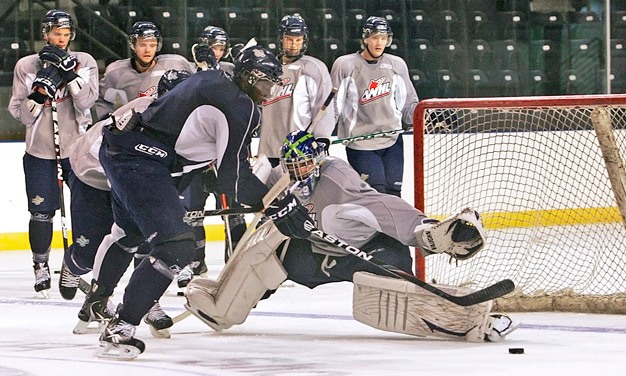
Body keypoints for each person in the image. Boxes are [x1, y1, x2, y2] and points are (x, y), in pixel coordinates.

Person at [185, 131, 519, 343]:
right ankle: (223, 308)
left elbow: (384, 207)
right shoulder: (288, 176)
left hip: (369, 252)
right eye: (291, 165)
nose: (295, 170)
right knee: (264, 253)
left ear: (316, 160)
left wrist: (429, 233)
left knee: (394, 297)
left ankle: (475, 321)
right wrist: (218, 181)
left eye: (302, 164)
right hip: (318, 255)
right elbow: (257, 184)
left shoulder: (337, 181)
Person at [95, 45, 283, 359]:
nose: (266, 92)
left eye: (271, 86)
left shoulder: (212, 78)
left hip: (124, 148)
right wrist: (272, 202)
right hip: (142, 162)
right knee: (177, 245)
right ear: (248, 78)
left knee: (131, 234)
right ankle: (120, 328)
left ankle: (97, 300)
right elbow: (232, 177)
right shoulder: (242, 105)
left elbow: (189, 141)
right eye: (263, 84)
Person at [65, 70, 192, 336]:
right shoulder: (145, 115)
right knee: (91, 252)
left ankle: (145, 302)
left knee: (146, 234)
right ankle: (76, 268)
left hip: (117, 171)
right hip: (90, 172)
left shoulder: (176, 119)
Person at [7, 9, 99, 297]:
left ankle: (76, 265)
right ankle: (41, 265)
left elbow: (87, 101)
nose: (61, 39)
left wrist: (68, 73)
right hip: (40, 151)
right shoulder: (26, 65)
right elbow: (22, 115)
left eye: (66, 34)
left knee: (86, 211)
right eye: (56, 33)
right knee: (41, 212)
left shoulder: (84, 61)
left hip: (77, 152)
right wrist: (41, 89)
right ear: (45, 34)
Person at [330, 16, 418, 197]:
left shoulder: (396, 65)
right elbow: (333, 107)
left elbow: (408, 104)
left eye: (384, 38)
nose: (379, 42)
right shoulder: (345, 65)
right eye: (375, 37)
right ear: (365, 38)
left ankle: (395, 227)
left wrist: (425, 116)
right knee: (376, 196)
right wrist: (321, 135)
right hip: (361, 145)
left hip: (392, 142)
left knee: (394, 193)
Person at [258, 14, 335, 168]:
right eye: (289, 39)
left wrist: (321, 137)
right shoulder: (265, 68)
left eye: (298, 40)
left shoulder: (314, 68)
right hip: (268, 150)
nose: (294, 44)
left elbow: (323, 106)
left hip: (298, 151)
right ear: (281, 39)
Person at [94, 21, 192, 118]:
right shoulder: (116, 73)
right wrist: (107, 119)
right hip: (135, 127)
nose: (148, 50)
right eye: (142, 45)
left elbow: (199, 81)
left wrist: (203, 65)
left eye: (152, 45)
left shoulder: (175, 63)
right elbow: (102, 101)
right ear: (133, 45)